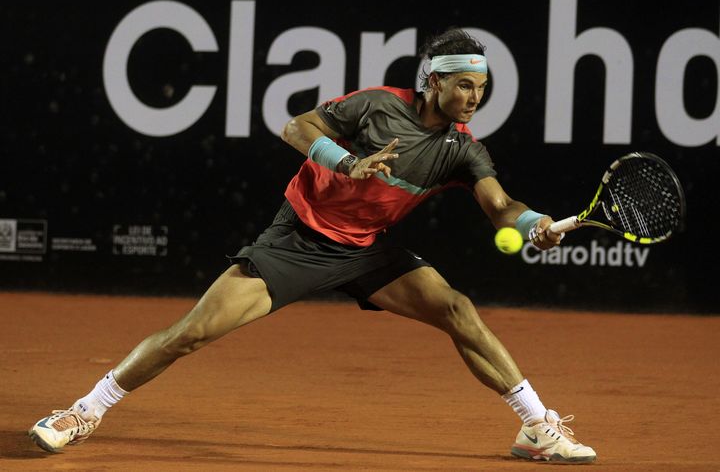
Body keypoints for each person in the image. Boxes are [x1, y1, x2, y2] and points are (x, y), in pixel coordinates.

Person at [29, 28, 596, 464]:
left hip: (368, 250)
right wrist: (347, 162)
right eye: (465, 85)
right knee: (191, 333)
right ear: (435, 81)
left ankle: (535, 427)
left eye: (482, 88)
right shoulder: (377, 105)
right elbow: (296, 128)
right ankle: (84, 411)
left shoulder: (462, 149)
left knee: (456, 309)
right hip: (297, 241)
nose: (474, 98)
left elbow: (501, 208)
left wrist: (537, 225)